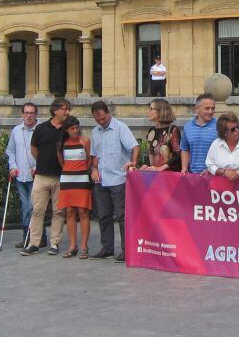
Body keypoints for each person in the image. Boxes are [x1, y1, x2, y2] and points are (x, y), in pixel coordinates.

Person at [89, 101, 139, 263]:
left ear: (108, 113)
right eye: (98, 120)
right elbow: (94, 155)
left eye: (103, 118)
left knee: (122, 216)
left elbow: (134, 146)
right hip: (101, 180)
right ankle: (107, 248)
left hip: (119, 178)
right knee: (103, 216)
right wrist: (94, 169)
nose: (102, 122)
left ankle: (127, 249)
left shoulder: (120, 127)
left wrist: (133, 163)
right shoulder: (95, 132)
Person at [20, 98, 71, 256]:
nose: (67, 112)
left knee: (59, 212)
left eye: (68, 109)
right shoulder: (41, 128)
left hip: (61, 177)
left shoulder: (69, 129)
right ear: (55, 110)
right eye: (64, 109)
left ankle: (54, 243)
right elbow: (34, 149)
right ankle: (34, 243)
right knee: (37, 210)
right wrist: (42, 161)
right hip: (42, 175)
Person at [6, 102, 44, 248]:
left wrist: (37, 166)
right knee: (26, 207)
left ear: (36, 114)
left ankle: (37, 237)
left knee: (34, 207)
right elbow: (10, 151)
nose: (29, 116)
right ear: (22, 114)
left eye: (32, 113)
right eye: (26, 113)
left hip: (36, 176)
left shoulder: (41, 130)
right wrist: (12, 166)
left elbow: (45, 152)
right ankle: (27, 237)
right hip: (20, 175)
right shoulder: (16, 130)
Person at [57, 116, 92, 259]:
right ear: (67, 130)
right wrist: (68, 171)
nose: (75, 130)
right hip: (67, 178)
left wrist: (83, 171)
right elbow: (61, 160)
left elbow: (90, 159)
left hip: (82, 178)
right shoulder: (61, 143)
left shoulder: (85, 141)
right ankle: (73, 245)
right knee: (69, 211)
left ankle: (84, 246)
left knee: (83, 211)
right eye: (72, 128)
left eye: (77, 127)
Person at [206, 112, 239, 180]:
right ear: (224, 133)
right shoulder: (215, 144)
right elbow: (210, 165)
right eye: (233, 129)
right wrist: (224, 172)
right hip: (221, 187)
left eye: (237, 127)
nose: (237, 130)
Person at [180, 93, 217, 174]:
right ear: (197, 109)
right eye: (207, 108)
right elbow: (185, 149)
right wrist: (184, 167)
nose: (210, 111)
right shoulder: (187, 127)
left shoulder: (220, 126)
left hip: (214, 176)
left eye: (213, 108)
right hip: (193, 177)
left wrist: (212, 170)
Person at [141, 98, 181, 171]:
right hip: (153, 176)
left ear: (161, 111)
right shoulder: (151, 130)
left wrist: (160, 168)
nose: (148, 111)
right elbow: (149, 155)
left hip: (168, 176)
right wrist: (140, 169)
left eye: (151, 109)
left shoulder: (173, 130)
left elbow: (177, 156)